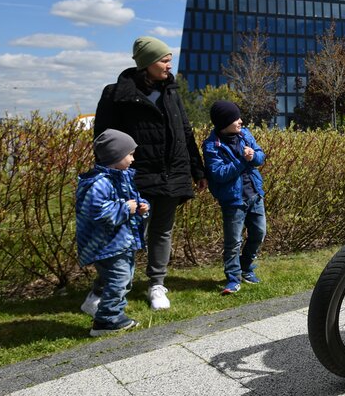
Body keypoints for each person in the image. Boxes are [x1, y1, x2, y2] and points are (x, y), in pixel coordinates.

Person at [94, 36, 207, 310]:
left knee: (162, 232)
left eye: (169, 60)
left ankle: (157, 284)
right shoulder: (116, 94)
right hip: (135, 176)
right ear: (147, 63)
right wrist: (108, 175)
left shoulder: (171, 92)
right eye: (164, 60)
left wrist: (197, 168)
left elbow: (186, 132)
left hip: (172, 173)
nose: (170, 65)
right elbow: (104, 138)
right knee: (127, 233)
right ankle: (107, 289)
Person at [76, 129, 149, 336]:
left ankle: (110, 312)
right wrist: (127, 209)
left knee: (124, 278)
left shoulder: (122, 177)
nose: (133, 159)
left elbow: (132, 198)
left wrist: (141, 206)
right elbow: (97, 212)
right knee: (119, 279)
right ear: (115, 156)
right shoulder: (99, 183)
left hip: (121, 240)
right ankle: (106, 320)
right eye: (130, 154)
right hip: (107, 243)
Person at [202, 101, 267, 294]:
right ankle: (233, 278)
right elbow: (218, 173)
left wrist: (253, 155)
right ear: (224, 122)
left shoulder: (245, 134)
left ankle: (245, 266)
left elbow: (261, 156)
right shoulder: (212, 146)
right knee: (233, 242)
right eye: (235, 118)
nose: (240, 121)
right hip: (233, 201)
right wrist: (241, 161)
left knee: (259, 233)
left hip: (254, 194)